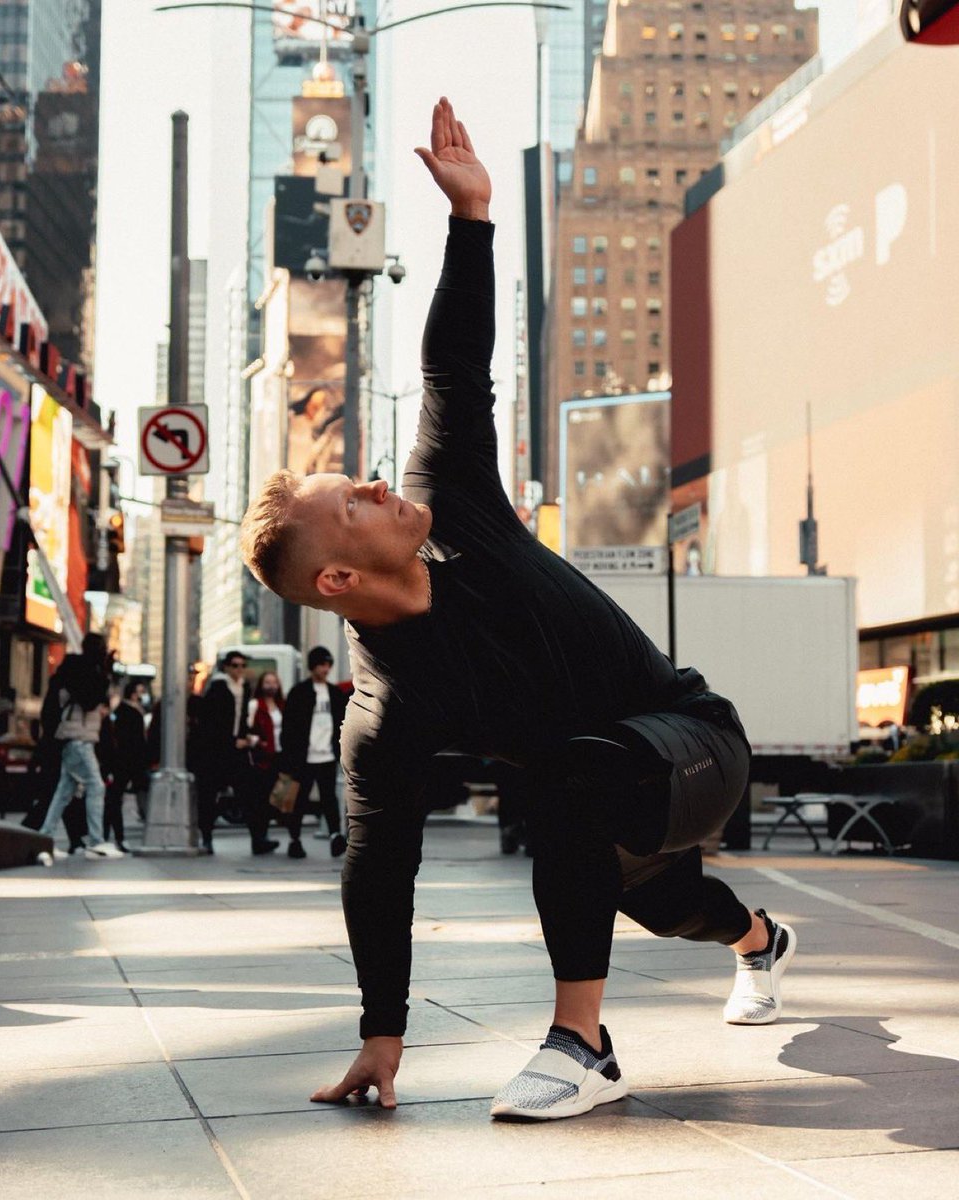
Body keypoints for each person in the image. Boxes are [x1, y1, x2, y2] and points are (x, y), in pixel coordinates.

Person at [239, 98, 797, 1121]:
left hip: (696, 741)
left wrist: (473, 217)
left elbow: (452, 365)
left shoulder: (456, 504)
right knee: (674, 906)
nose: (373, 483)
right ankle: (765, 944)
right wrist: (382, 1031)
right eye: (352, 502)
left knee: (575, 789)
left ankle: (581, 1046)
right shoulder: (385, 713)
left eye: (361, 477)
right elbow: (379, 868)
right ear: (336, 582)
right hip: (613, 790)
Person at [39, 633, 124, 860]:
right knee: (96, 786)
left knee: (63, 792)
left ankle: (44, 838)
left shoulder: (77, 669)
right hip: (77, 738)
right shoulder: (80, 671)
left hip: (76, 737)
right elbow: (89, 700)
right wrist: (104, 674)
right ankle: (96, 841)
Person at [197, 651, 278, 856]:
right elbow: (210, 723)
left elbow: (241, 721)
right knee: (210, 796)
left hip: (237, 752)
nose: (239, 669)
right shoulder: (217, 688)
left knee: (249, 794)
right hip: (217, 752)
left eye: (242, 665)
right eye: (235, 665)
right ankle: (206, 838)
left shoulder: (244, 687)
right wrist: (234, 741)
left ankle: (258, 839)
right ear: (226, 667)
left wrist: (246, 737)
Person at [279, 646, 348, 860]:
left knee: (329, 799)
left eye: (328, 665)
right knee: (299, 799)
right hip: (304, 757)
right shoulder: (299, 692)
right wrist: (290, 754)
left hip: (327, 755)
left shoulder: (335, 694)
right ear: (312, 666)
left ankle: (336, 835)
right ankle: (295, 839)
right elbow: (289, 726)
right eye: (321, 665)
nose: (325, 669)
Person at [100, 680, 149, 852]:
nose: (142, 695)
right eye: (140, 691)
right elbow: (135, 742)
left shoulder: (122, 711)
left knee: (112, 800)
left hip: (120, 763)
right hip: (124, 763)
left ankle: (107, 836)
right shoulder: (129, 713)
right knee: (113, 800)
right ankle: (112, 837)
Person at [245, 669, 285, 848]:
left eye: (274, 682)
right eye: (267, 682)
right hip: (261, 758)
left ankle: (263, 835)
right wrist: (257, 742)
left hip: (278, 756)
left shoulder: (281, 705)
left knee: (273, 799)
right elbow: (246, 730)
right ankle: (258, 838)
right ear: (261, 685)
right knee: (258, 799)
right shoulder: (254, 704)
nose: (271, 686)